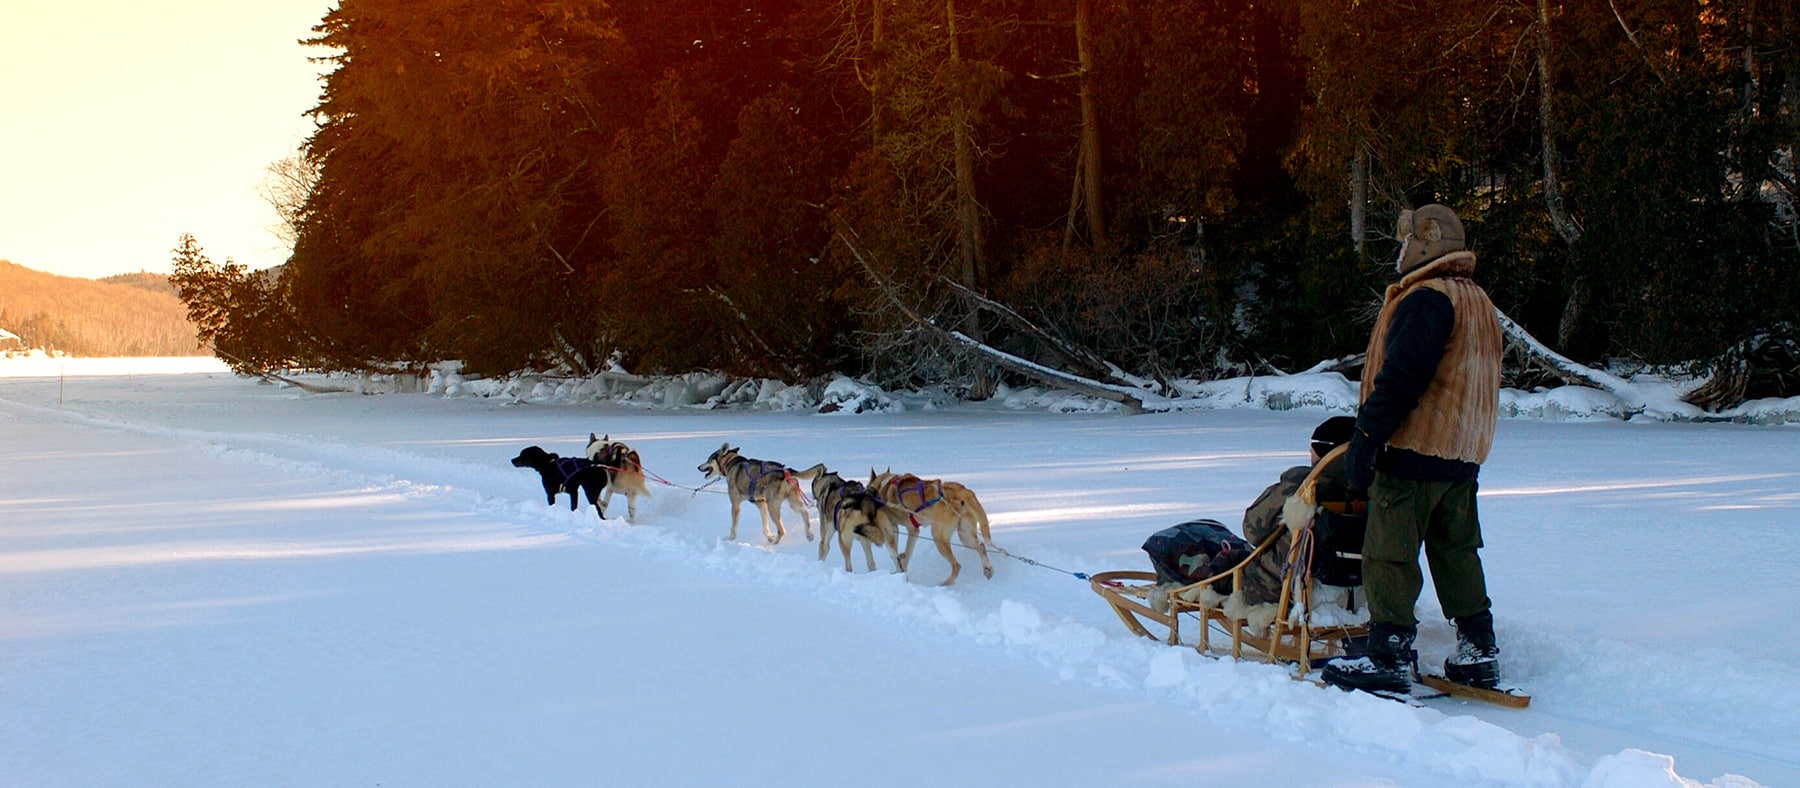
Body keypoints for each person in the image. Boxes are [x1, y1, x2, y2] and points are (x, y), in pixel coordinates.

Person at [1321, 204, 1506, 694]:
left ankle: (1389, 654)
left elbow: (1403, 378)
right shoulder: (1478, 302)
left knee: (1388, 554)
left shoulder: (1427, 297)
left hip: (1415, 449)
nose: (1401, 252)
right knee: (1456, 552)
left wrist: (1367, 435)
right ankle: (1478, 649)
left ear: (1427, 242)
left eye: (1405, 242)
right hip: (1462, 455)